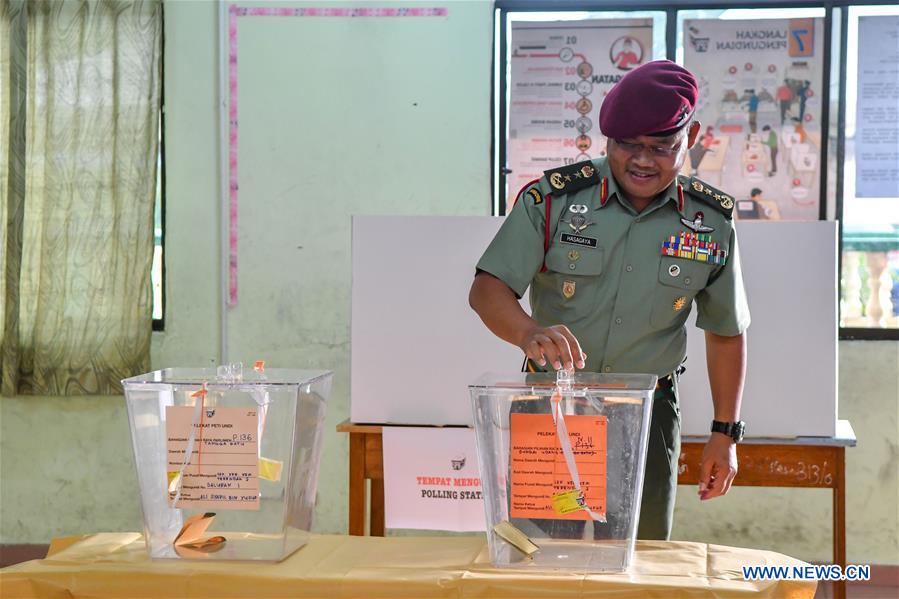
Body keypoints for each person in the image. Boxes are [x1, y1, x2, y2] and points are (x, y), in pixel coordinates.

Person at [469, 60, 750, 541]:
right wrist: (528, 332)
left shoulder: (710, 222)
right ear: (607, 139)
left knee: (638, 563)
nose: (642, 160)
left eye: (662, 148)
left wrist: (725, 433)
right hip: (553, 410)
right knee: (539, 554)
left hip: (647, 413)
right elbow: (487, 288)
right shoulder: (555, 201)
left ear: (693, 136)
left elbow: (726, 330)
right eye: (627, 145)